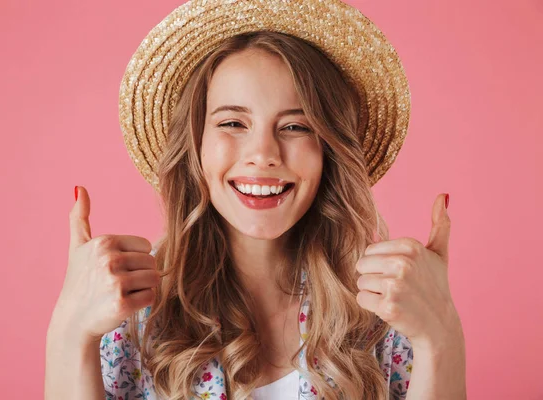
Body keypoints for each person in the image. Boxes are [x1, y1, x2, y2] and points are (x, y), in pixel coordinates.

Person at [46, 1, 466, 400]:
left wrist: (440, 336)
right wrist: (69, 332)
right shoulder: (130, 313)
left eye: (296, 127)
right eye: (232, 122)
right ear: (196, 145)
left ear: (328, 150)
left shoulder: (385, 312)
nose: (263, 153)